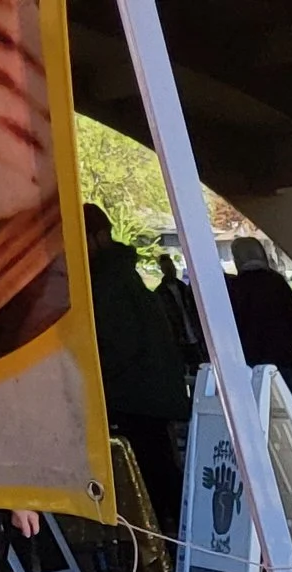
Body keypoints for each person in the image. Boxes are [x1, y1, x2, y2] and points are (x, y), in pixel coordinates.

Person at [82, 205, 191, 536]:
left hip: (135, 396)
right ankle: (172, 538)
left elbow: (119, 344)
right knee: (159, 469)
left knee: (147, 474)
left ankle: (161, 549)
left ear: (97, 236)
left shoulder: (108, 282)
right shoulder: (121, 275)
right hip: (148, 393)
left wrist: (93, 380)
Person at [223, 237, 292, 389]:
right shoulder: (278, 282)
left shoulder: (236, 287)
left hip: (251, 360)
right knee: (289, 406)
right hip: (283, 357)